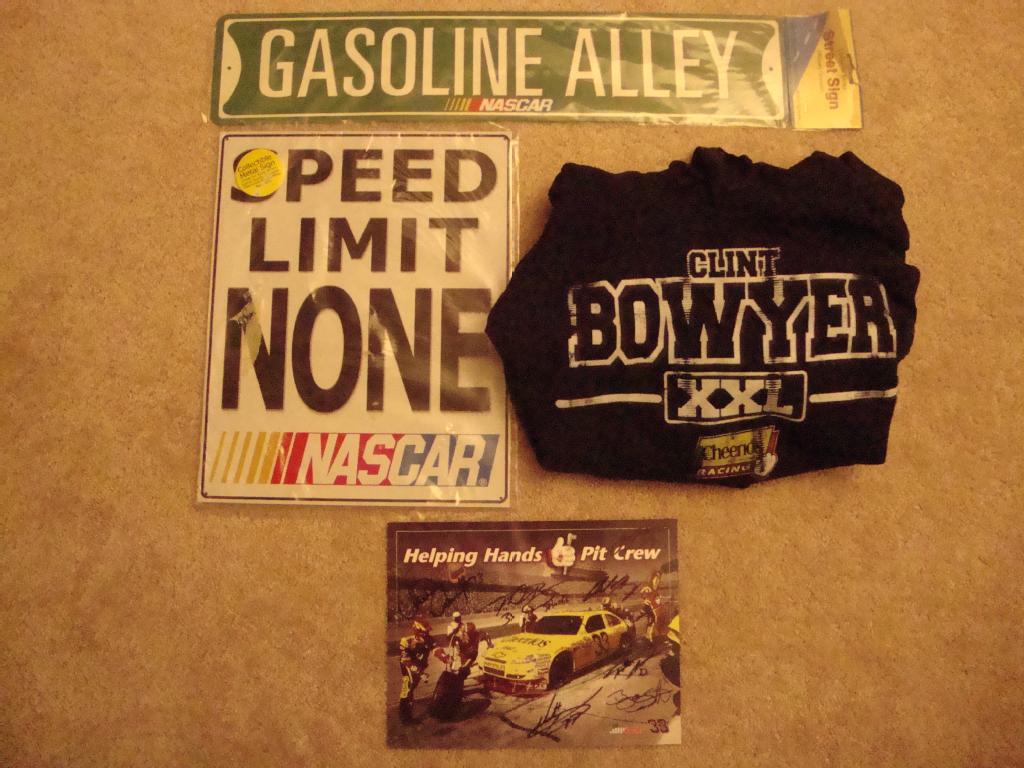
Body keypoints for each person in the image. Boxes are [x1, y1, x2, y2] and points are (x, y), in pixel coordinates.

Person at [398, 618, 434, 724]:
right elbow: (406, 661)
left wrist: (445, 657)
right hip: (407, 667)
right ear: (417, 631)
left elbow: (436, 649)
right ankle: (405, 717)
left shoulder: (429, 640)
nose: (426, 634)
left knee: (412, 687)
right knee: (407, 688)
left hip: (419, 667)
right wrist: (420, 673)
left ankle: (407, 711)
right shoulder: (406, 641)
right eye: (424, 632)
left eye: (427, 632)